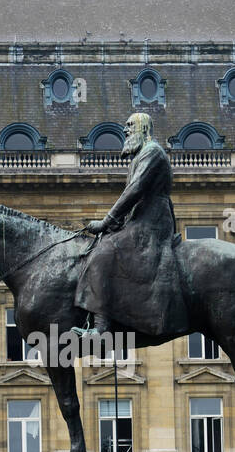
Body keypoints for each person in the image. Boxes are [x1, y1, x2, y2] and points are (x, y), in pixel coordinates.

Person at [73, 113, 189, 338]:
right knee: (101, 246)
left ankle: (101, 327)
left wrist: (107, 221)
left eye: (129, 126)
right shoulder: (140, 156)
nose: (125, 131)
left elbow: (133, 191)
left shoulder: (152, 152)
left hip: (151, 222)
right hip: (141, 219)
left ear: (143, 127)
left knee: (102, 255)